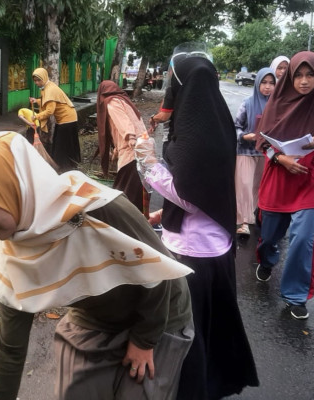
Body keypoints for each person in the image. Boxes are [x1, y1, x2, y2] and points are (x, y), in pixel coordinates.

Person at [0, 131, 194, 400]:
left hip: (159, 311)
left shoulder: (96, 208)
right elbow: (10, 348)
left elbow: (158, 271)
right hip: (97, 316)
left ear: (15, 190)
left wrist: (145, 340)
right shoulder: (15, 247)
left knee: (139, 391)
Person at [135, 55, 259, 400]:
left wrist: (148, 163)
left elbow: (190, 192)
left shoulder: (197, 129)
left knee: (187, 335)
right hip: (212, 244)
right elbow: (210, 187)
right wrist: (165, 215)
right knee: (209, 330)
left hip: (195, 253)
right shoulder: (212, 119)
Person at [254, 51, 314, 320]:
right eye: (299, 75)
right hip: (280, 174)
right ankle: (267, 260)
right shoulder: (276, 103)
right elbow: (262, 143)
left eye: (310, 75)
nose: (304, 81)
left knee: (303, 238)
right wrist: (281, 158)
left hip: (309, 178)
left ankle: (295, 295)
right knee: (269, 237)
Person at [234, 68, 276, 236]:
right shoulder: (247, 103)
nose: (267, 87)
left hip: (266, 153)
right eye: (264, 82)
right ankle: (244, 222)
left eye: (271, 83)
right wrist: (245, 136)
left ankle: (251, 216)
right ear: (257, 83)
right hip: (245, 150)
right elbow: (236, 127)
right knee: (244, 185)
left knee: (257, 187)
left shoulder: (276, 106)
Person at [97, 80, 147, 212]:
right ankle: (138, 217)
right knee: (136, 188)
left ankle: (126, 219)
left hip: (131, 150)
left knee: (124, 191)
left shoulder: (112, 102)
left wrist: (130, 138)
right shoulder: (124, 100)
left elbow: (123, 121)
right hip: (141, 148)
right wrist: (116, 151)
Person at [29, 67, 81, 172]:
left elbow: (49, 111)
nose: (36, 83)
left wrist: (36, 116)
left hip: (67, 119)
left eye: (38, 80)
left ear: (44, 78)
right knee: (62, 142)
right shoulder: (48, 86)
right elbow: (48, 101)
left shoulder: (50, 89)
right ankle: (69, 163)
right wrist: (37, 101)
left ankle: (64, 166)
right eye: (35, 80)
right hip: (65, 118)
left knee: (61, 144)